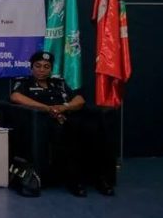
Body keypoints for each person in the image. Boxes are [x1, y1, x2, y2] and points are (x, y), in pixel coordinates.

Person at [10, 50, 116, 198]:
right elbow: (16, 97)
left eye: (46, 66)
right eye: (38, 66)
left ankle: (101, 179)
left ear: (51, 69)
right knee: (71, 132)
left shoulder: (58, 83)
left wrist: (64, 107)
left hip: (69, 117)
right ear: (31, 67)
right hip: (46, 121)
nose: (42, 70)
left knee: (95, 130)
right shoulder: (24, 83)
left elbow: (79, 100)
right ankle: (75, 181)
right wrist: (48, 108)